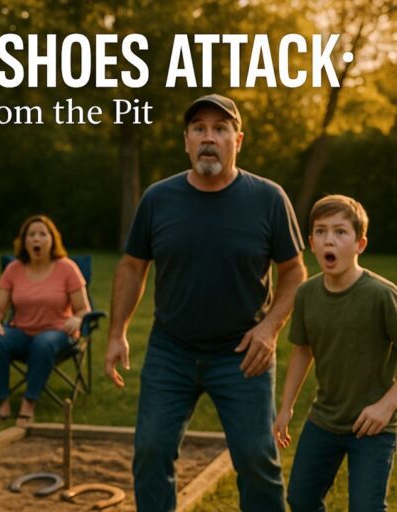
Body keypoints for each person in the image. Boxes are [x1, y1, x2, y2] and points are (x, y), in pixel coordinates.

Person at [104, 93, 307, 511]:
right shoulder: (158, 198)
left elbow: (294, 272)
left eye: (220, 128)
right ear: (186, 141)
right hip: (171, 350)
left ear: (238, 139)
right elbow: (131, 267)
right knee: (151, 452)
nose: (209, 137)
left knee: (256, 458)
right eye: (199, 129)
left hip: (241, 352)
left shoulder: (268, 198)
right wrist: (117, 332)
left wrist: (269, 329)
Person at [273, 195, 397, 512]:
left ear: (360, 243)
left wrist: (386, 406)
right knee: (301, 499)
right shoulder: (306, 294)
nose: (330, 239)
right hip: (325, 419)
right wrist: (286, 408)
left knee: (366, 507)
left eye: (341, 232)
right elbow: (302, 351)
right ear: (311, 243)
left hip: (373, 426)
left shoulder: (382, 295)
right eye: (320, 231)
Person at [0, 214, 90, 427]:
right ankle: (2, 404)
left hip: (59, 333)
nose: (36, 239)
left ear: (52, 240)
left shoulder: (67, 268)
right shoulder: (13, 269)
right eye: (31, 234)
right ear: (24, 241)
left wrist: (78, 319)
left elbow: (84, 309)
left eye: (42, 234)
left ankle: (28, 403)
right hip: (21, 332)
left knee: (44, 342)